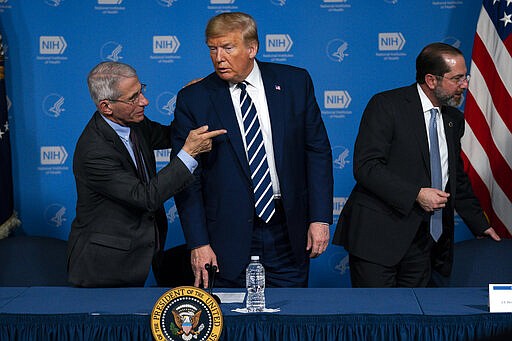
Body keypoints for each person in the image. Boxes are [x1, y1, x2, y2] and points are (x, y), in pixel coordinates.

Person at [170, 12, 333, 288]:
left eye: (228, 48)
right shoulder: (194, 99)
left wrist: (320, 218)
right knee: (231, 325)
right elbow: (187, 178)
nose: (218, 57)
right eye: (213, 48)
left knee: (289, 321)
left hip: (287, 230)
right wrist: (198, 242)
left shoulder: (295, 83)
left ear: (252, 48)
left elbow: (317, 151)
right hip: (225, 237)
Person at [332, 43, 500, 288]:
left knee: (415, 321)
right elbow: (366, 166)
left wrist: (480, 224)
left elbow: (455, 177)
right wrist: (416, 194)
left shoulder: (454, 119)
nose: (464, 85)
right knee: (379, 320)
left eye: (465, 77)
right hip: (378, 239)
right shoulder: (387, 105)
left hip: (424, 243)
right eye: (457, 79)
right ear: (431, 80)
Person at [67, 61, 226, 287]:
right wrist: (189, 153)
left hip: (141, 252)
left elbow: (174, 134)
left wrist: (192, 99)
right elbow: (145, 197)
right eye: (133, 98)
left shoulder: (135, 123)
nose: (144, 101)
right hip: (103, 267)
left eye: (141, 90)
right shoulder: (94, 151)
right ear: (106, 107)